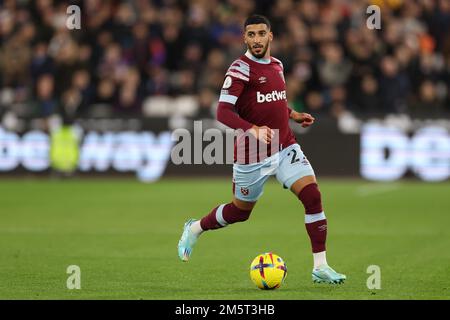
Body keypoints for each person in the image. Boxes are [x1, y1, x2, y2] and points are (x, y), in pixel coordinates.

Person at [177, 15, 346, 284]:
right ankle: (195, 228)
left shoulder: (277, 65)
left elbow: (272, 102)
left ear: (271, 36)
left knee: (312, 196)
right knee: (239, 213)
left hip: (285, 145)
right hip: (251, 154)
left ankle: (321, 266)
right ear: (244, 38)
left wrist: (292, 114)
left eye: (261, 33)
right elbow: (222, 112)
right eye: (251, 34)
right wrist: (252, 129)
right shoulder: (239, 69)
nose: (257, 39)